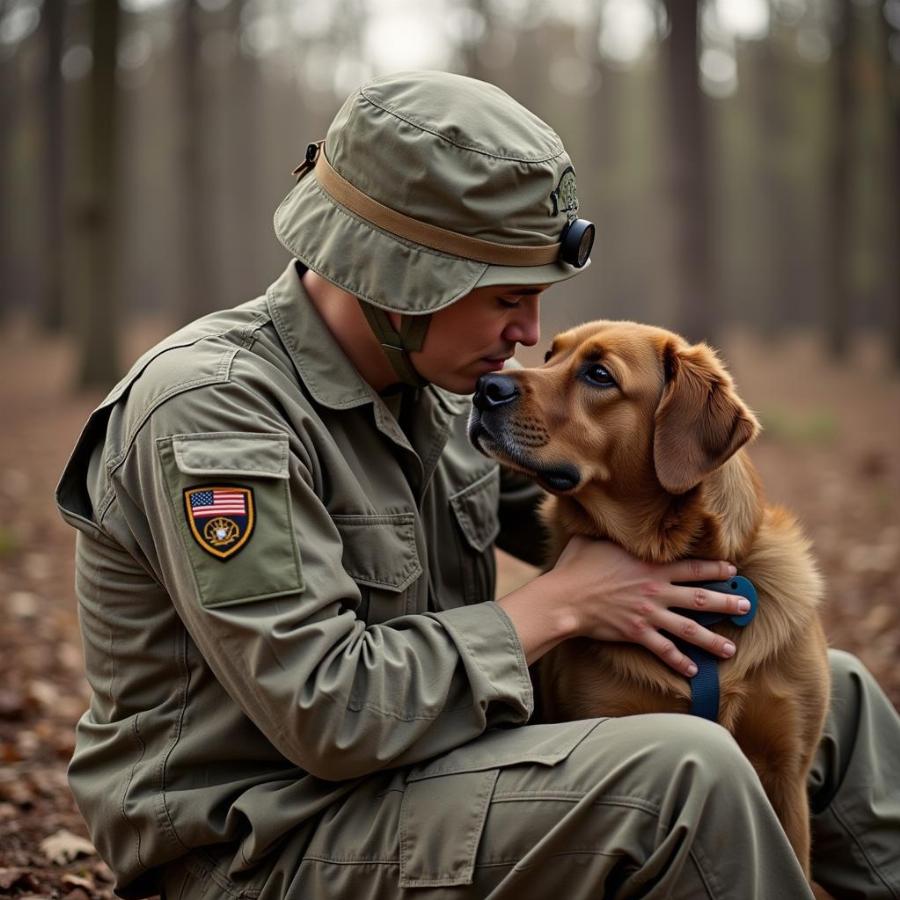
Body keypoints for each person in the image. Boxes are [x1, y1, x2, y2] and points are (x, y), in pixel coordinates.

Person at [56, 71, 899, 900]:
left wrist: (727, 538)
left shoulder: (429, 388)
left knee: (839, 695)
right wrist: (555, 606)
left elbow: (627, 504)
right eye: (506, 296)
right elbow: (327, 711)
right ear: (399, 279)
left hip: (428, 774)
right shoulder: (216, 413)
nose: (528, 334)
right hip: (266, 842)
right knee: (686, 773)